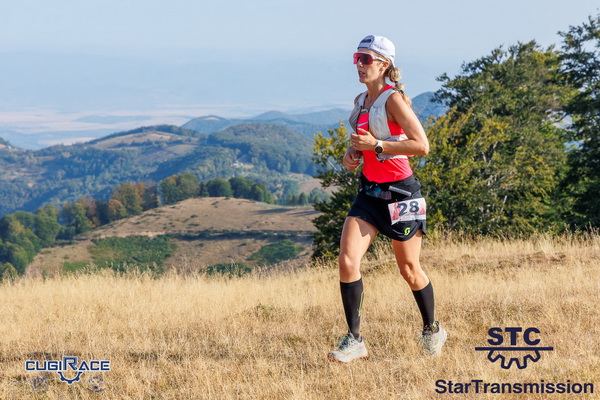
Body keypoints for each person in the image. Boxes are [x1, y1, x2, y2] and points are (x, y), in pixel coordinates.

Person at [328, 35, 447, 363]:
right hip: (369, 193)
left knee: (409, 269)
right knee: (347, 260)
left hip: (401, 193)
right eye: (357, 58)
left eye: (366, 59)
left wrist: (377, 146)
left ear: (384, 64)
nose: (359, 64)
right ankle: (355, 340)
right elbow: (363, 144)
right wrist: (352, 154)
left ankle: (432, 330)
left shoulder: (393, 100)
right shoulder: (361, 101)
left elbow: (421, 145)